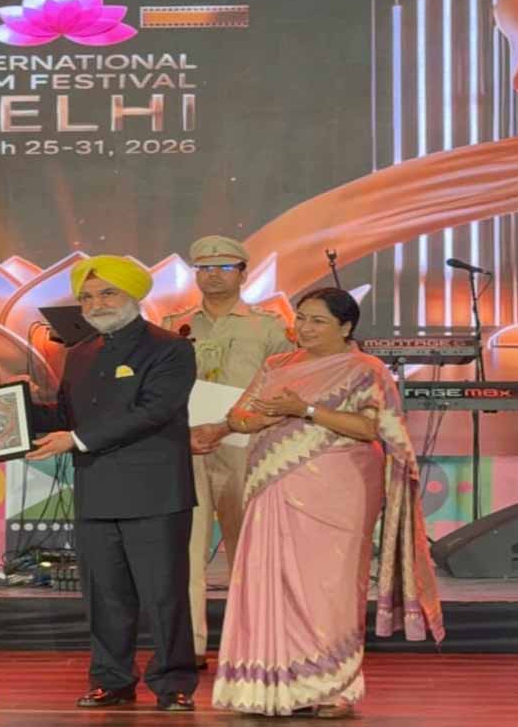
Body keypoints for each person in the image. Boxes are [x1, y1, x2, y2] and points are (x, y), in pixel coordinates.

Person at [211, 287, 444, 718]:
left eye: (318, 321)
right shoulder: (277, 365)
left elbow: (370, 428)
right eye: (301, 318)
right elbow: (239, 416)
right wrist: (261, 417)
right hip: (273, 485)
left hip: (339, 489)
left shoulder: (366, 369)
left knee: (329, 588)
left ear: (345, 326)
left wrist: (305, 410)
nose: (305, 328)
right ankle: (266, 688)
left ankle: (335, 687)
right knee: (271, 581)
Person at [28, 255, 198, 712]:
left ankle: (173, 683)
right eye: (86, 297)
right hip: (97, 489)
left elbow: (154, 411)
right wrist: (13, 411)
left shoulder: (170, 348)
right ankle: (112, 680)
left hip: (155, 493)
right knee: (104, 596)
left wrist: (77, 439)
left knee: (164, 595)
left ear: (133, 295)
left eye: (107, 293)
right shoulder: (80, 353)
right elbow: (66, 416)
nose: (96, 303)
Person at [162, 235, 293, 667]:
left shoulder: (270, 327)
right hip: (187, 447)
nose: (213, 275)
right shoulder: (172, 325)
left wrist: (233, 423)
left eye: (223, 267)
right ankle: (190, 647)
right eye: (204, 268)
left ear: (243, 273)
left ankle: (253, 644)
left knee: (251, 548)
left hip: (246, 445)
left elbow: (285, 385)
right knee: (186, 550)